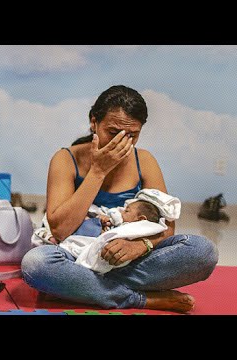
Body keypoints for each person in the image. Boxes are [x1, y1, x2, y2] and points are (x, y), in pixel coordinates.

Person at [21, 85, 219, 313]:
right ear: (94, 122)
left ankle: (84, 288)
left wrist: (139, 245)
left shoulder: (144, 160)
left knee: (204, 251)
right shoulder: (65, 159)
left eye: (132, 135)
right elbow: (60, 230)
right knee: (35, 264)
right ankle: (142, 299)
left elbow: (166, 228)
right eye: (113, 133)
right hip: (79, 257)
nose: (122, 142)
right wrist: (98, 171)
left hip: (131, 258)